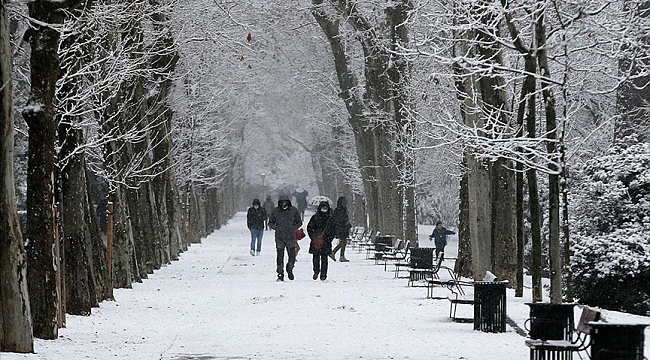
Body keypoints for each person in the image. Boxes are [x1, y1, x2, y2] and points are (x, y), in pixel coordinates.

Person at [268, 194, 302, 281]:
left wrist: (293, 227)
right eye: (282, 202)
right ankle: (280, 273)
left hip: (290, 236)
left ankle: (290, 267)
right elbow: (270, 222)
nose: (284, 203)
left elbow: (299, 222)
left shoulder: (294, 210)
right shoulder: (275, 211)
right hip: (279, 237)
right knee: (280, 255)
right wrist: (277, 228)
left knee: (292, 255)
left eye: (285, 202)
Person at [307, 201, 333, 281]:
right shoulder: (315, 217)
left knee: (324, 258)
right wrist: (314, 237)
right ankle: (316, 270)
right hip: (316, 241)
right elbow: (310, 228)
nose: (324, 209)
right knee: (316, 257)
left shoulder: (330, 218)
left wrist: (329, 239)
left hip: (326, 241)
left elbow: (333, 230)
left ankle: (323, 275)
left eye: (326, 208)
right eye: (323, 207)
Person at [329, 196, 352, 262]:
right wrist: (345, 223)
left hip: (343, 228)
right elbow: (339, 219)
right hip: (341, 228)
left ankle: (335, 253)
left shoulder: (343, 209)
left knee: (343, 242)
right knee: (343, 241)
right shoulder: (339, 210)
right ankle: (339, 255)